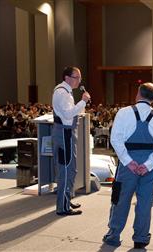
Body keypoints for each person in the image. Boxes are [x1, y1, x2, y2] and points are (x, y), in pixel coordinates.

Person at [102, 83, 153, 249]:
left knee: (120, 199)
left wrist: (128, 162)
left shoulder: (124, 113)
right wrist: (148, 165)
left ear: (138, 93)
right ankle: (141, 238)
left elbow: (115, 139)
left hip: (128, 163)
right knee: (145, 202)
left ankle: (114, 235)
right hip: (149, 164)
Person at [52, 66, 91, 216]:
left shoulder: (66, 91)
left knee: (71, 168)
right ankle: (62, 206)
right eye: (77, 77)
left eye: (80, 78)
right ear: (67, 78)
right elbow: (68, 114)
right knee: (66, 170)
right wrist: (83, 102)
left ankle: (66, 200)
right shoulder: (62, 93)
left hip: (67, 132)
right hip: (64, 133)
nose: (79, 81)